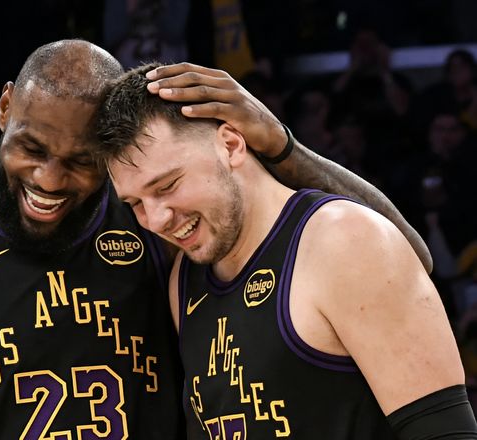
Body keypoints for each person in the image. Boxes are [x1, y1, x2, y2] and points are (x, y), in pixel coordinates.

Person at [0, 40, 431, 439]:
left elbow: (403, 257)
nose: (49, 179)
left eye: (81, 161)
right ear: (5, 109)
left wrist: (280, 145)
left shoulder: (160, 227)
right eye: (31, 148)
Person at [94, 62, 477, 438]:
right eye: (136, 203)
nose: (156, 219)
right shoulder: (186, 277)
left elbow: (445, 433)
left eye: (167, 186)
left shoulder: (343, 240)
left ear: (231, 145)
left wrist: (282, 143)